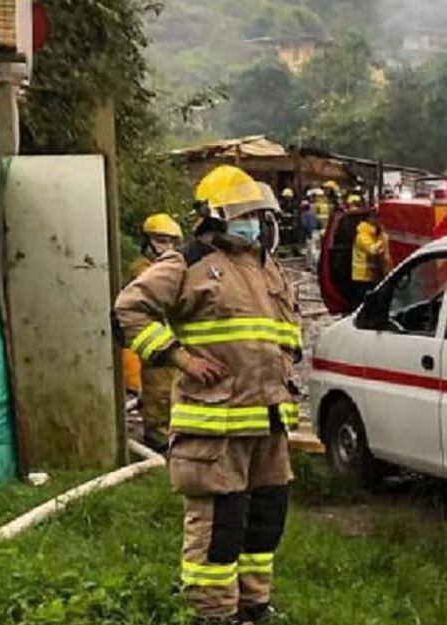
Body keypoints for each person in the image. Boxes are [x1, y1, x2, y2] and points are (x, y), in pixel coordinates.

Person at [114, 165, 301, 625]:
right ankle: (213, 615)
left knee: (264, 522)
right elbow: (128, 311)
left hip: (267, 421)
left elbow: (284, 330)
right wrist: (180, 358)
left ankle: (254, 607)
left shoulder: (265, 265)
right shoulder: (186, 263)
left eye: (258, 214)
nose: (254, 222)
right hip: (215, 425)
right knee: (220, 526)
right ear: (216, 216)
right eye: (244, 213)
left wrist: (288, 359)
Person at [125, 213, 183, 450]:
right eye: (160, 240)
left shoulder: (165, 269)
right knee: (158, 394)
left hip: (171, 340)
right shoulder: (142, 270)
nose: (166, 247)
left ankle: (168, 438)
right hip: (154, 341)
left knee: (171, 392)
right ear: (147, 241)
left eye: (170, 241)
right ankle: (157, 442)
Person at [350, 211, 390, 306]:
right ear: (369, 219)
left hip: (370, 275)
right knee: (363, 302)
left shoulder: (372, 234)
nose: (378, 220)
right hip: (361, 276)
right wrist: (382, 240)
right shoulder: (362, 236)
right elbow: (372, 250)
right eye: (375, 218)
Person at [298, 200, 321, 272]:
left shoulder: (304, 215)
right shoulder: (313, 213)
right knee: (313, 249)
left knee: (311, 250)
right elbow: (319, 223)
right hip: (316, 232)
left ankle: (313, 265)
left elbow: (304, 225)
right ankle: (310, 265)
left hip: (310, 233)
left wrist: (307, 234)